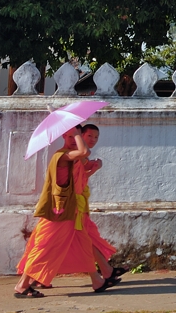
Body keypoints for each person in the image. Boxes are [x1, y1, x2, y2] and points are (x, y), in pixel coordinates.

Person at [13, 127, 112, 297]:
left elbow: (79, 172)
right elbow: (84, 151)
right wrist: (75, 132)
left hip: (72, 210)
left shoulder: (73, 156)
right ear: (64, 136)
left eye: (77, 136)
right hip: (59, 212)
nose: (75, 139)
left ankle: (97, 279)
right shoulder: (62, 156)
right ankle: (22, 285)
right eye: (71, 136)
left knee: (84, 243)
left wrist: (94, 168)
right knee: (45, 246)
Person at [78, 123, 126, 285]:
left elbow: (79, 176)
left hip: (78, 204)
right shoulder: (72, 154)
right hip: (69, 206)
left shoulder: (79, 155)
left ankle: (106, 270)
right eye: (89, 136)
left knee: (86, 238)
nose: (93, 140)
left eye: (96, 137)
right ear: (81, 136)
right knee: (79, 239)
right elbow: (76, 180)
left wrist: (90, 166)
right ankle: (33, 277)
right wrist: (94, 169)